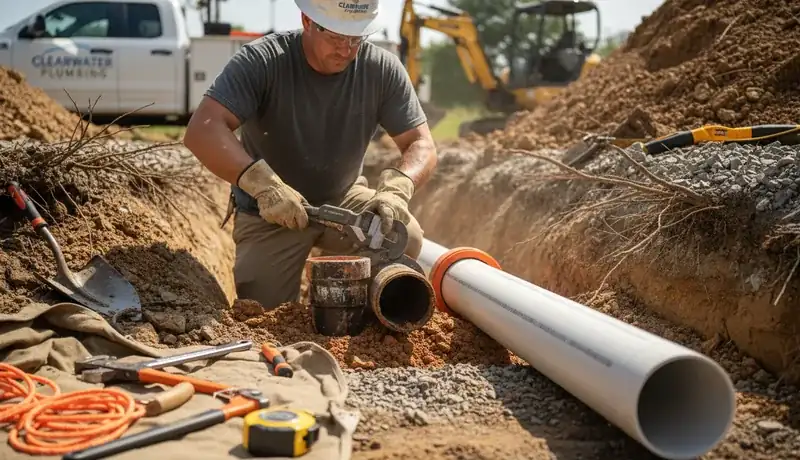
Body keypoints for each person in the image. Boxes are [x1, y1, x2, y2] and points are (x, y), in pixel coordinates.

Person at [183, 0, 438, 310]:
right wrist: (263, 186)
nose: (346, 50)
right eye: (335, 36)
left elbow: (421, 143)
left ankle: (367, 317)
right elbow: (203, 129)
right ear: (306, 21)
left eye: (356, 38)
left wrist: (399, 188)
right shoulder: (264, 61)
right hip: (271, 211)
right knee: (264, 313)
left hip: (343, 199)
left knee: (404, 236)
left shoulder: (381, 69)